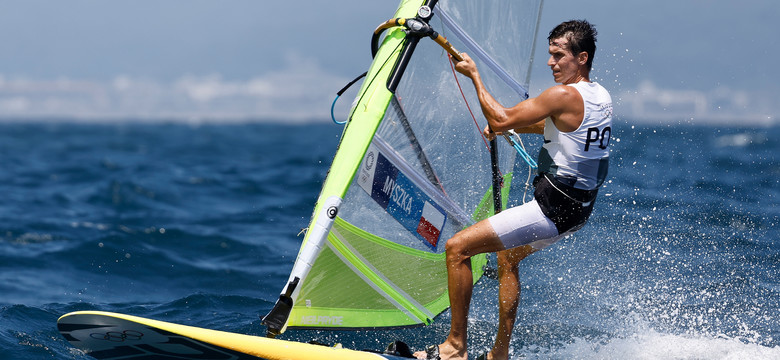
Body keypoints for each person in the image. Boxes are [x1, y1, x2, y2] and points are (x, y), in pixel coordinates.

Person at [414, 20, 612, 360]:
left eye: (558, 56)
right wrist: (512, 127)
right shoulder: (600, 97)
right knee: (507, 256)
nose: (551, 63)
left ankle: (454, 348)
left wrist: (475, 76)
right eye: (550, 55)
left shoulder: (562, 95)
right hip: (576, 212)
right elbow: (555, 127)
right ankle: (499, 355)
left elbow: (501, 118)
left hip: (550, 211)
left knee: (457, 248)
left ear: (581, 58)